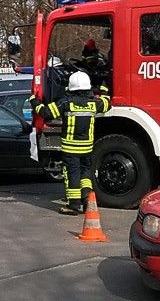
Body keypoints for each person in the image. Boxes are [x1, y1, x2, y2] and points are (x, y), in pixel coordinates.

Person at [38, 71, 111, 215]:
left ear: (70, 88)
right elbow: (106, 104)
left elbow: (46, 113)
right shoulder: (93, 103)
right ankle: (86, 200)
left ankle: (73, 205)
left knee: (72, 174)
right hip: (87, 147)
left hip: (70, 148)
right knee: (85, 174)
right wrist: (103, 90)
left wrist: (35, 102)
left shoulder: (65, 102)